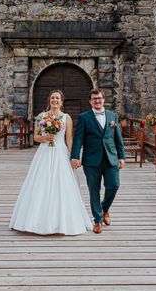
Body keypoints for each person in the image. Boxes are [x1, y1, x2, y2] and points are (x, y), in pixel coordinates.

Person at [9, 89, 93, 235]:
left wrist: (73, 156)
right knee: (41, 182)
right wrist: (44, 138)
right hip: (44, 152)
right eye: (53, 98)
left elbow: (69, 139)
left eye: (57, 98)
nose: (55, 100)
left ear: (61, 101)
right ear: (49, 100)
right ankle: (34, 221)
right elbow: (35, 136)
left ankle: (62, 223)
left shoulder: (66, 118)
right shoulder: (42, 116)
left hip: (60, 152)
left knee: (62, 184)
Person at [71, 88, 125, 234]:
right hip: (91, 160)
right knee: (94, 190)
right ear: (90, 101)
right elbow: (78, 139)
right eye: (94, 99)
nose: (97, 101)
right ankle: (98, 220)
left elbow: (117, 138)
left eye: (99, 98)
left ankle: (105, 208)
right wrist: (75, 156)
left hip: (111, 158)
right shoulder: (84, 117)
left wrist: (121, 156)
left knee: (113, 185)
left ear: (103, 99)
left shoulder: (112, 115)